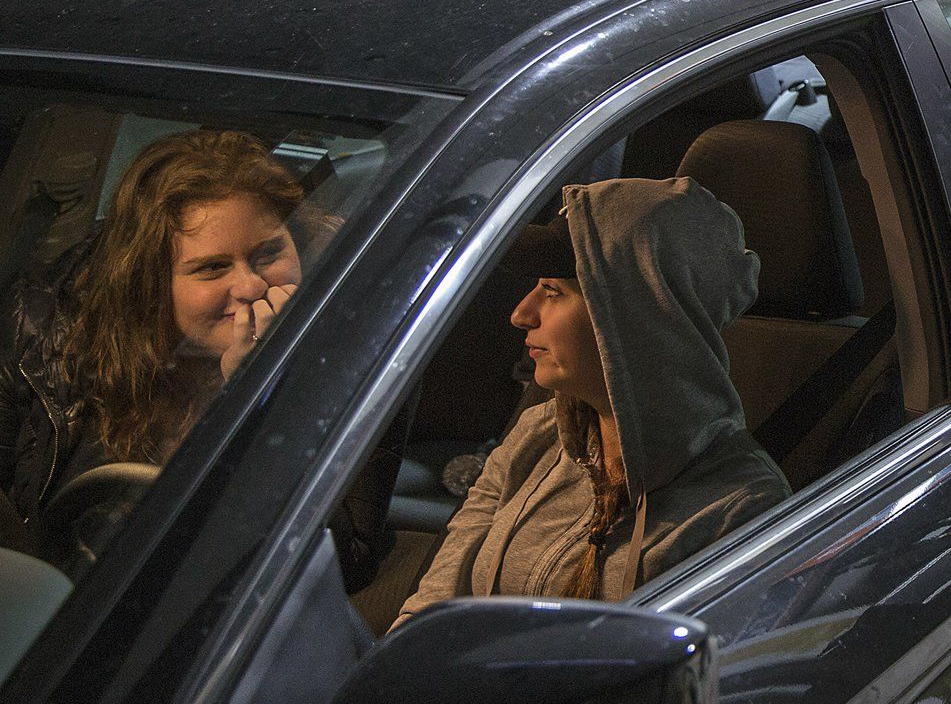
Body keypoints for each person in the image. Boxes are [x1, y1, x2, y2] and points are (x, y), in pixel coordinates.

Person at [393, 176, 787, 623]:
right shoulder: (538, 437)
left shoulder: (737, 509)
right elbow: (432, 605)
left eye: (554, 291)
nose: (521, 314)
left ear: (636, 316)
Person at [0, 129, 376, 571]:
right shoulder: (49, 332)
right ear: (153, 284)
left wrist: (261, 398)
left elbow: (348, 562)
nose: (252, 285)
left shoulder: (363, 339)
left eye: (268, 252)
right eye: (212, 267)